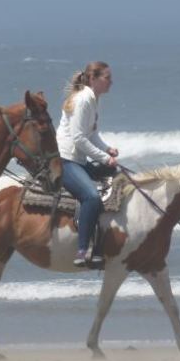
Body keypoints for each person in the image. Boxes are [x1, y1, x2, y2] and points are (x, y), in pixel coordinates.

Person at [56, 61, 118, 268]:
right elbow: (78, 138)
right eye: (107, 78)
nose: (111, 82)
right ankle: (83, 250)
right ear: (93, 79)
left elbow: (91, 134)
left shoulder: (93, 99)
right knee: (91, 197)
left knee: (113, 173)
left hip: (78, 159)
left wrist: (107, 149)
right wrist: (103, 157)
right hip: (66, 160)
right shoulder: (83, 100)